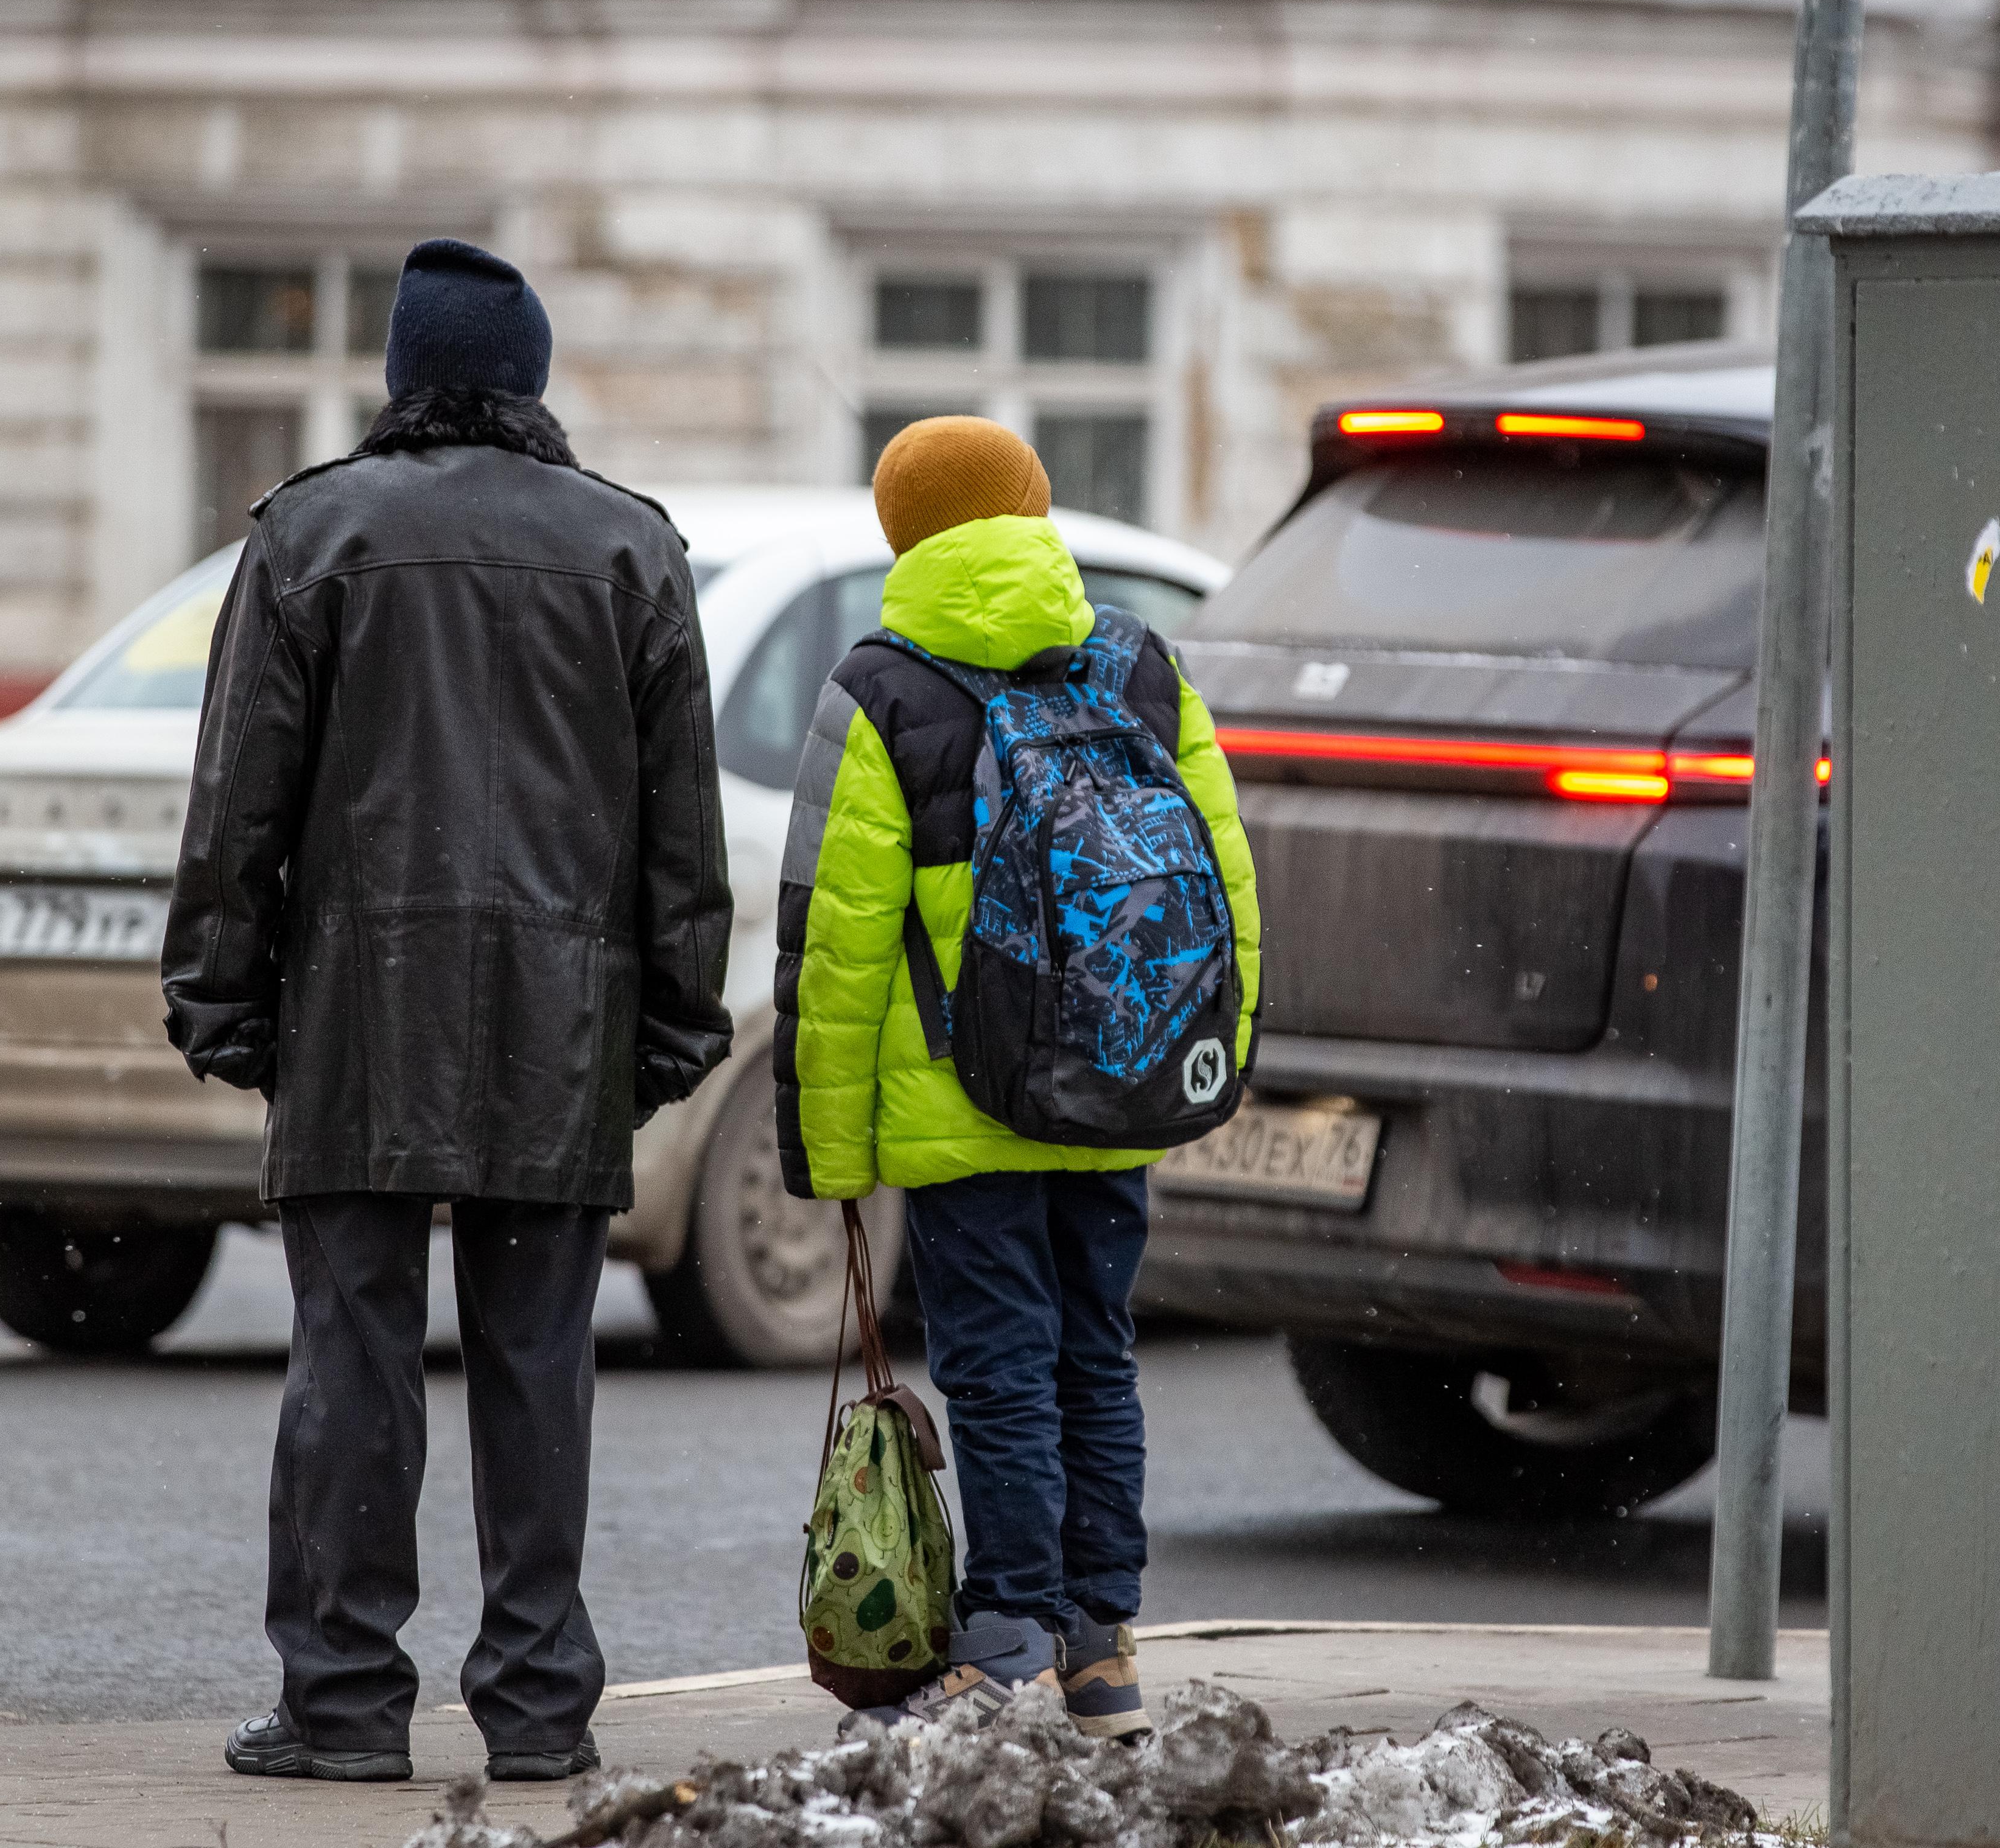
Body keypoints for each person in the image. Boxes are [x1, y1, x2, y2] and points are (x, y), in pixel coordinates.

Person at [162, 237, 734, 1785]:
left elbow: (238, 801)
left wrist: (221, 999)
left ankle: (344, 1701)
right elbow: (682, 835)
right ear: (529, 381)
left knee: (351, 1364)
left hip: (357, 1011)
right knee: (537, 1366)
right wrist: (671, 1028)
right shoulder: (629, 548)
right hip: (561, 1019)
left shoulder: (311, 533)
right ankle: (539, 1706)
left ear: (402, 377)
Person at [773, 416, 1260, 1740]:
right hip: (1116, 1081)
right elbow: (1224, 875)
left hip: (964, 1105)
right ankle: (1099, 1646)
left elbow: (835, 943)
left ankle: (1003, 1641)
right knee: (1096, 1358)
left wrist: (828, 1151)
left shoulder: (879, 688)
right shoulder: (1137, 661)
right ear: (1035, 507)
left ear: (900, 531)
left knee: (996, 1371)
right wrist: (1212, 1052)